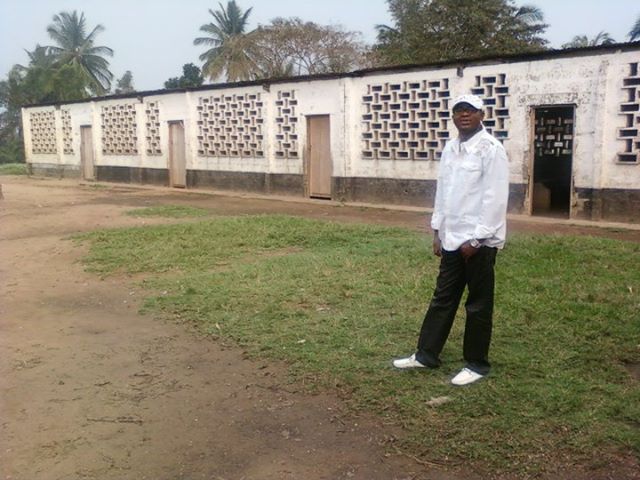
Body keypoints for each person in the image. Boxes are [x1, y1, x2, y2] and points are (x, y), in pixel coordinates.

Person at [392, 94, 509, 386]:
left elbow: (495, 198)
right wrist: (438, 230)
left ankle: (476, 364)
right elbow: (443, 191)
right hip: (452, 238)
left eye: (470, 110)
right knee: (442, 298)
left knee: (478, 304)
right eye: (459, 111)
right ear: (453, 116)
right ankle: (426, 355)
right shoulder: (451, 148)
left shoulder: (491, 149)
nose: (464, 115)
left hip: (479, 243)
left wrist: (478, 240)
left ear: (481, 114)